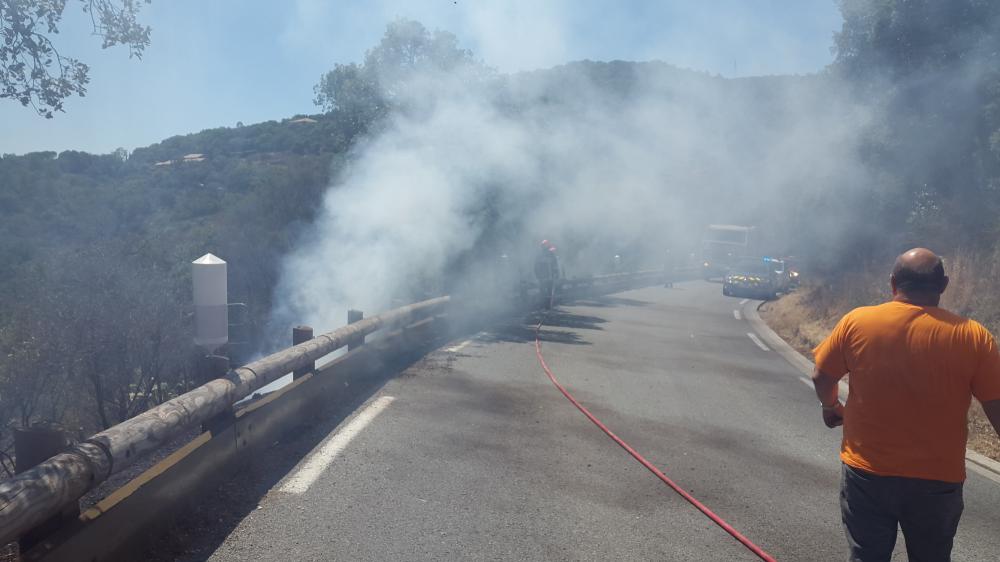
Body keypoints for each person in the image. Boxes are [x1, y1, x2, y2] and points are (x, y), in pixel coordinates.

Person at [812, 248, 1000, 562]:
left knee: (867, 556)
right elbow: (997, 408)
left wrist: (830, 406)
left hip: (867, 473)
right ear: (944, 285)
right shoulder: (974, 337)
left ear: (893, 282)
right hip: (938, 481)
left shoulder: (858, 322)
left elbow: (821, 376)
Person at [534, 240, 559, 308]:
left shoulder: (551, 255)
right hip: (543, 277)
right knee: (543, 292)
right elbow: (536, 267)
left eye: (546, 246)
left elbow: (555, 266)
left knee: (550, 292)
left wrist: (556, 274)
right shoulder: (539, 255)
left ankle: (549, 305)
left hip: (550, 277)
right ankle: (543, 304)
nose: (545, 247)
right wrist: (538, 276)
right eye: (544, 246)